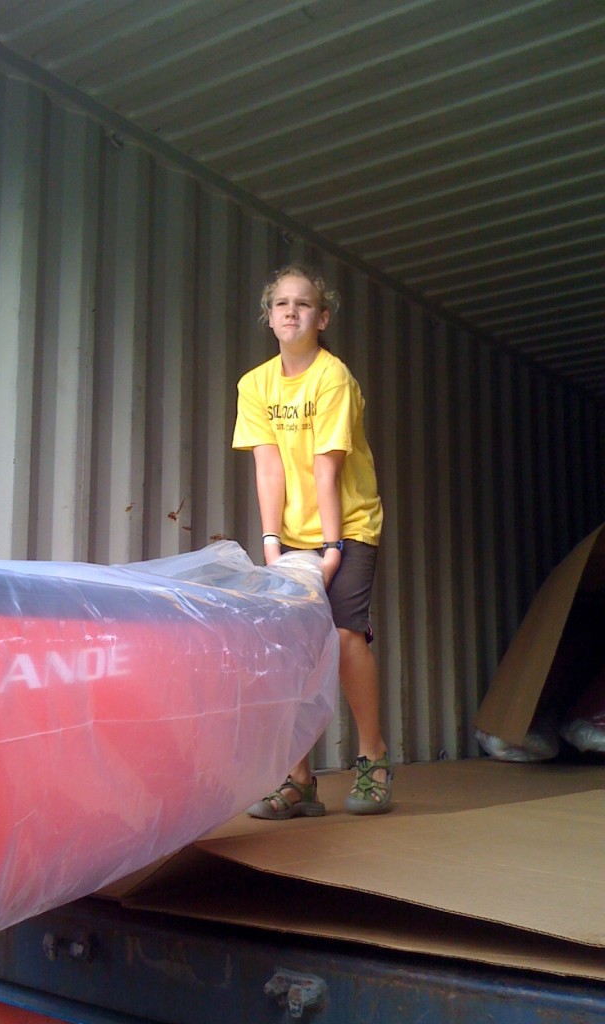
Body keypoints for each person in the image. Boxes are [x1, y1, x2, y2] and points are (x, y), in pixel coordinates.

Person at [232, 263, 390, 817]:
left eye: (303, 304)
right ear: (269, 318)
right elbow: (268, 470)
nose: (291, 311)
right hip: (293, 535)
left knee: (347, 637)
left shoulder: (333, 378)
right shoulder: (254, 385)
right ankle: (299, 781)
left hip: (347, 525)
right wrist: (272, 544)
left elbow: (327, 470)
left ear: (322, 318)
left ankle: (373, 760)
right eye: (281, 304)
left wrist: (331, 552)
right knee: (290, 646)